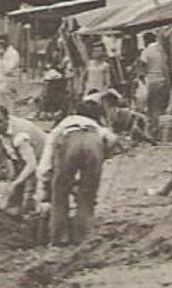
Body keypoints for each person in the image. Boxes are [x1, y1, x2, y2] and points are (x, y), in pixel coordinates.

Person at [36, 99, 114, 245]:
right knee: (87, 194)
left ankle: (59, 237)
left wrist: (44, 186)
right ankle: (83, 236)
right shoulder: (97, 127)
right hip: (94, 143)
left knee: (60, 192)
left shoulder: (63, 124)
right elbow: (112, 140)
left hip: (70, 140)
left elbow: (45, 162)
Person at [0, 103, 45, 214]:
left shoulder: (20, 135)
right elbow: (14, 159)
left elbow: (31, 165)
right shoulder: (4, 132)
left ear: (7, 119)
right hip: (28, 161)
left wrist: (15, 184)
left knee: (30, 199)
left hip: (45, 160)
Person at [137, 32, 170, 122]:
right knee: (159, 104)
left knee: (151, 106)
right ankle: (158, 123)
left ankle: (153, 124)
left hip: (151, 80)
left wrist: (140, 80)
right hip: (162, 79)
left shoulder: (146, 51)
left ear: (146, 40)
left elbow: (142, 66)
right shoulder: (162, 51)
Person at [0, 34, 21, 106]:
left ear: (7, 42)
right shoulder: (1, 52)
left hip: (6, 84)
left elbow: (8, 70)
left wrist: (2, 58)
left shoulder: (13, 54)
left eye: (2, 43)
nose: (0, 45)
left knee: (7, 105)